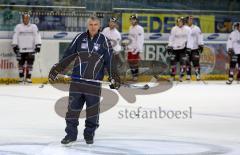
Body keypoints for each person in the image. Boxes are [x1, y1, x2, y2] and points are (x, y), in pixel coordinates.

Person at [48, 16, 120, 145]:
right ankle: (70, 135)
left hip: (93, 84)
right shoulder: (79, 38)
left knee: (92, 111)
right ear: (88, 25)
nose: (93, 27)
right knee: (72, 110)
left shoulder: (105, 41)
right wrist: (57, 69)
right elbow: (68, 55)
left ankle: (89, 134)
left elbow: (109, 61)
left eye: (95, 24)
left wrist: (114, 76)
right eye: (91, 24)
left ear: (99, 26)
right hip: (77, 82)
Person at [12, 12, 41, 83]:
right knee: (20, 64)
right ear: (22, 19)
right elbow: (15, 36)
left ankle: (28, 77)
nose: (26, 19)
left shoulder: (33, 26)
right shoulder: (18, 27)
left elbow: (37, 36)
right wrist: (14, 45)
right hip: (20, 49)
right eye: (25, 18)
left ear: (29, 19)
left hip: (31, 49)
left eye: (27, 18)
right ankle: (21, 77)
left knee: (30, 64)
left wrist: (38, 45)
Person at [167, 17, 190, 82]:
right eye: (178, 21)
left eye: (180, 21)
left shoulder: (187, 29)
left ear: (183, 22)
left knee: (183, 63)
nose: (179, 23)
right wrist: (169, 46)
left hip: (183, 49)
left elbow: (190, 39)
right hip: (174, 49)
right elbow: (171, 38)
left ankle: (181, 76)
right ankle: (172, 76)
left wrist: (189, 48)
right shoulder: (174, 29)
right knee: (172, 63)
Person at [186, 15, 204, 81]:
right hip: (186, 48)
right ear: (187, 20)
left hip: (195, 48)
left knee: (196, 62)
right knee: (187, 62)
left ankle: (198, 75)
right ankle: (188, 75)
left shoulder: (196, 28)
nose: (191, 20)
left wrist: (201, 45)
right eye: (189, 19)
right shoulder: (184, 28)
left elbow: (200, 37)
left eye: (192, 19)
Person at [127, 14, 144, 81]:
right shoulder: (130, 27)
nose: (132, 21)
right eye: (131, 20)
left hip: (136, 49)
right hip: (130, 48)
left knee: (135, 62)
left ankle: (135, 76)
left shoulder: (140, 28)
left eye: (133, 19)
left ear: (136, 20)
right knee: (130, 62)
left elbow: (140, 40)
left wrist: (138, 49)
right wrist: (128, 46)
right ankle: (133, 75)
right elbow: (130, 38)